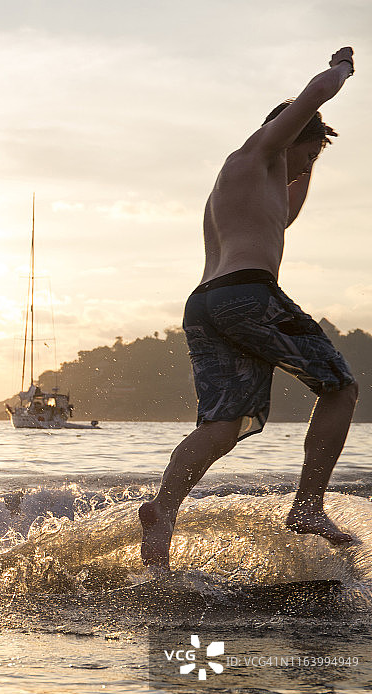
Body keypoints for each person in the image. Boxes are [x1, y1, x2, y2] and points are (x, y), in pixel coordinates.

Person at [140, 47, 358, 571]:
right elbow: (313, 97)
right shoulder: (257, 150)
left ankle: (162, 514)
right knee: (341, 387)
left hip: (206, 304)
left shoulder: (240, 187)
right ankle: (307, 507)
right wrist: (342, 69)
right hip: (248, 294)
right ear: (290, 135)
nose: (307, 165)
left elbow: (286, 214)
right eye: (308, 152)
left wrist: (310, 161)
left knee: (225, 423)